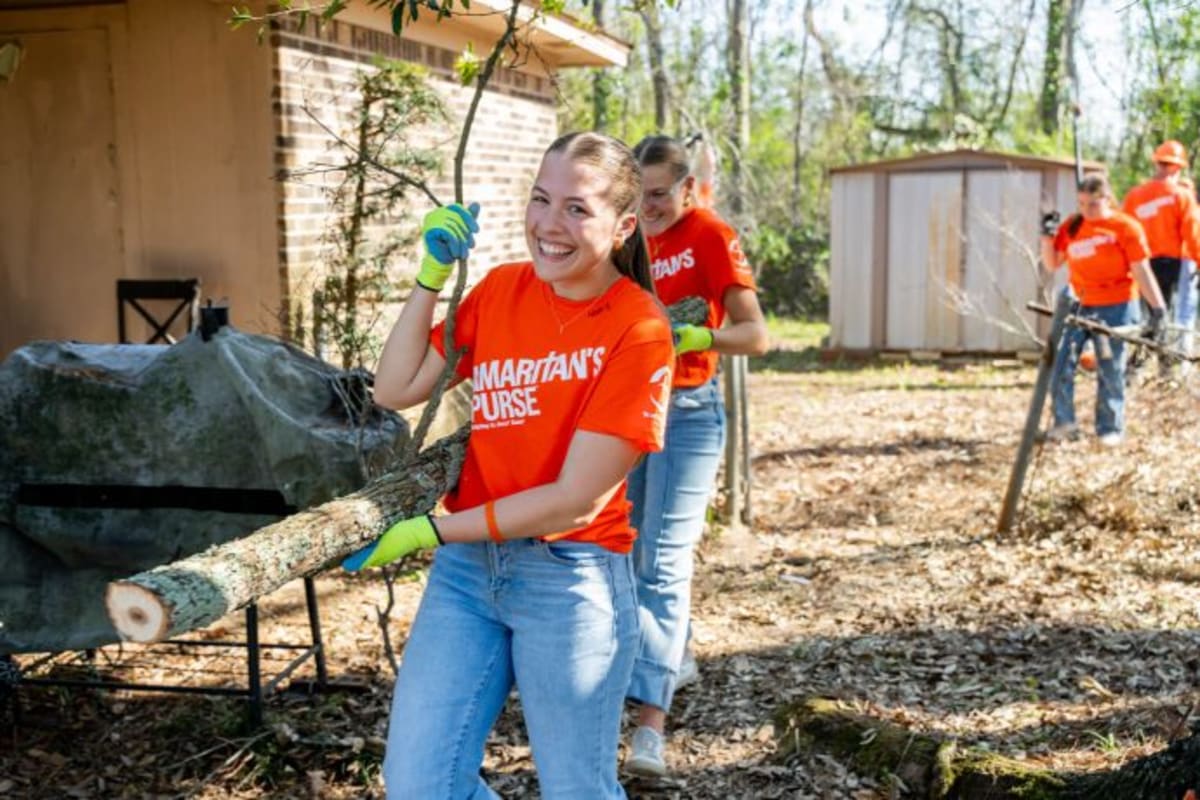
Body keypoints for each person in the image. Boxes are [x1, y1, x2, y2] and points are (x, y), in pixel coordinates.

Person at [344, 131, 676, 799]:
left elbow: (575, 499)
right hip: (469, 574)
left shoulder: (638, 329)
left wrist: (430, 531)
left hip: (571, 576)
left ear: (623, 226)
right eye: (541, 199)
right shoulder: (499, 290)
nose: (550, 224)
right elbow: (395, 387)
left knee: (576, 789)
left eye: (577, 208)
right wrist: (430, 278)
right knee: (419, 783)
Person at [622, 134, 769, 777]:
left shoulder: (709, 234)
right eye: (638, 195)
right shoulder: (625, 234)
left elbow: (755, 334)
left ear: (687, 188)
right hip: (627, 411)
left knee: (662, 564)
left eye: (659, 194)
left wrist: (695, 336)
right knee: (626, 552)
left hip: (688, 413)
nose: (648, 207)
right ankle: (671, 649)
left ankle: (648, 729)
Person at [1040, 173, 1167, 447]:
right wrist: (1047, 236)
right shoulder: (1073, 226)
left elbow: (1141, 271)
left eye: (1093, 204)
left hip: (1117, 306)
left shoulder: (1125, 227)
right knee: (1060, 363)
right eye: (1081, 203)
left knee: (1110, 368)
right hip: (1079, 305)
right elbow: (1052, 263)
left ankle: (1110, 428)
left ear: (1107, 199)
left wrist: (1158, 308)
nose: (1086, 210)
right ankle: (1064, 424)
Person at [1121, 140, 1200, 368]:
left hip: (1141, 266)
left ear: (1157, 163)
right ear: (1178, 167)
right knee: (1165, 316)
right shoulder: (1181, 196)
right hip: (1171, 264)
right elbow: (1192, 234)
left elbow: (1123, 231)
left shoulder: (1135, 196)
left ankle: (1146, 366)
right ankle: (1153, 367)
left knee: (1152, 316)